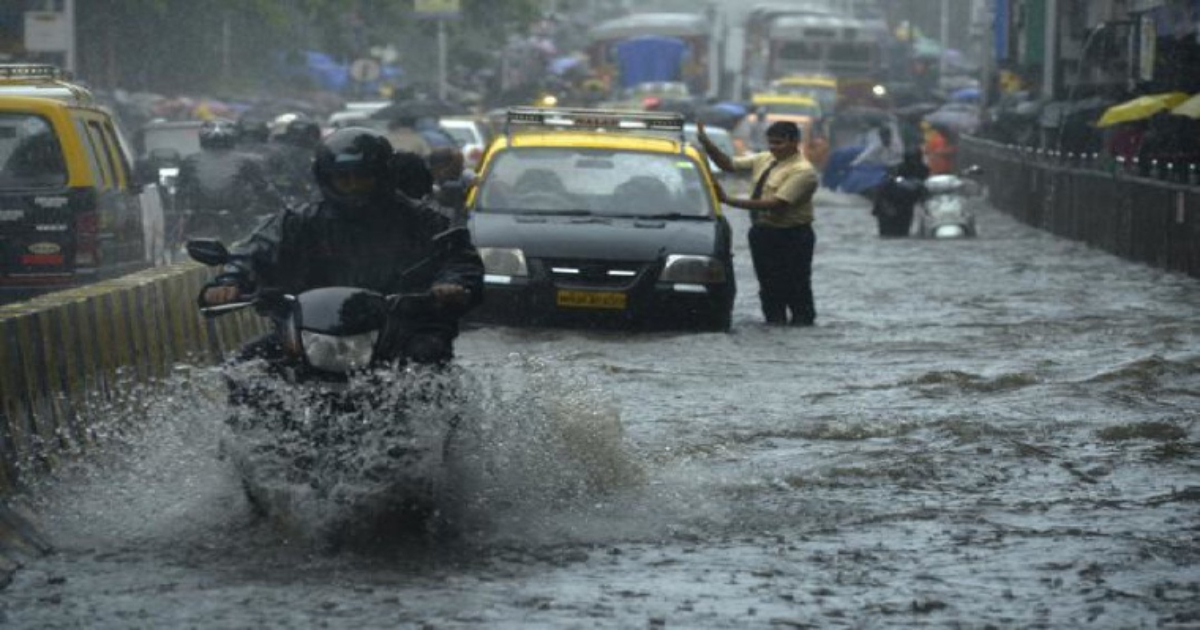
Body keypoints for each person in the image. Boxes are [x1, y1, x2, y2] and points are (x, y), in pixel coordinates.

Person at [200, 127, 484, 365]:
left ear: (381, 176)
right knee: (246, 364)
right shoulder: (298, 221)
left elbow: (459, 259)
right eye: (343, 178)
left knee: (428, 360)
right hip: (312, 332)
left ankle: (438, 430)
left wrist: (451, 285)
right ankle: (250, 432)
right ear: (327, 178)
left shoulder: (425, 221)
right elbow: (256, 249)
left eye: (361, 177)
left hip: (401, 330)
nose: (352, 186)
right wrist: (231, 280)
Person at [696, 120, 819, 327]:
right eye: (771, 142)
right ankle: (774, 323)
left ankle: (802, 324)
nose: (773, 147)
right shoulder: (764, 158)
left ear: (794, 142)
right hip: (763, 232)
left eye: (779, 143)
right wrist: (707, 144)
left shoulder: (803, 171)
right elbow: (728, 165)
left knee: (796, 285)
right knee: (768, 285)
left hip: (793, 236)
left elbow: (776, 204)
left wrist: (728, 200)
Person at [175, 118, 276, 242]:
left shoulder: (189, 160)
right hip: (235, 219)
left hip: (204, 221)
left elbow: (179, 192)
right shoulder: (247, 161)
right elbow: (264, 189)